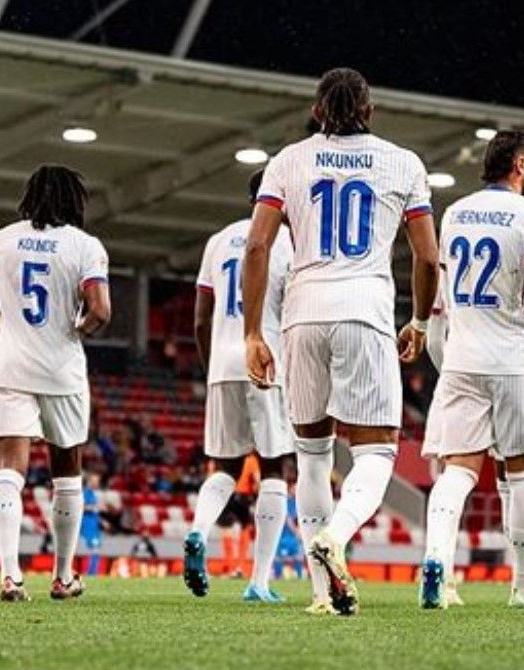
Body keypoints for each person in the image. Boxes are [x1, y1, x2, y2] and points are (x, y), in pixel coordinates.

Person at [242, 67, 440, 615]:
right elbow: (427, 256)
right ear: (370, 111)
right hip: (365, 313)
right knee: (375, 453)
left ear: (317, 112)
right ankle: (339, 532)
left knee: (310, 457)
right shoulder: (403, 163)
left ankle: (319, 594)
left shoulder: (287, 161)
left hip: (302, 316)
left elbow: (257, 247)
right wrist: (420, 322)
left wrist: (253, 332)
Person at [419, 129, 524, 610]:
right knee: (523, 474)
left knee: (458, 470)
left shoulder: (455, 214)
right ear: (521, 165)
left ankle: (437, 567)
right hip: (514, 359)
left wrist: (447, 361)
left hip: (463, 357)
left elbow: (442, 302)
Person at [0, 164, 111, 602]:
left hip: (11, 366)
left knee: (9, 469)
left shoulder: (1, 239)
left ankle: (10, 576)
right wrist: (76, 331)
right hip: (62, 369)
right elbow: (101, 311)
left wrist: (7, 327)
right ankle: (63, 575)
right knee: (67, 473)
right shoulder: (85, 246)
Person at [183, 169, 296, 604]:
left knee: (226, 467)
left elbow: (199, 318)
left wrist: (212, 366)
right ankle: (259, 582)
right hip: (266, 358)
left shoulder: (218, 241)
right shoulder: (289, 242)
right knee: (273, 470)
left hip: (222, 363)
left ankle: (197, 531)